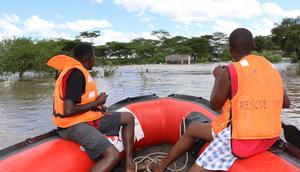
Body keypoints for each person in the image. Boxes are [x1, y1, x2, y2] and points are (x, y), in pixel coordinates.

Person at [152, 28, 291, 172]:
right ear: (253, 46)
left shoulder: (231, 71)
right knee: (193, 128)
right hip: (271, 135)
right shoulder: (271, 68)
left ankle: (162, 167)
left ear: (230, 50)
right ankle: (160, 166)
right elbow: (286, 103)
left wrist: (219, 77)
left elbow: (214, 104)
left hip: (243, 137)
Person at [47, 43, 135, 172]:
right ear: (87, 57)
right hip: (72, 125)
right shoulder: (75, 74)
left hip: (84, 119)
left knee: (128, 118)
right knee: (112, 155)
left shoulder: (76, 71)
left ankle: (129, 165)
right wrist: (96, 103)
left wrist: (98, 105)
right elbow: (68, 110)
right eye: (93, 56)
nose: (94, 59)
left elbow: (80, 101)